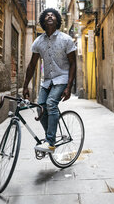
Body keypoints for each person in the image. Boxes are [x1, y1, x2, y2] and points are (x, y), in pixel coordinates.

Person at [23, 8, 76, 153]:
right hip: (47, 81)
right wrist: (25, 85)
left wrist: (69, 86)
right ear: (43, 21)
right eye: (47, 15)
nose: (50, 16)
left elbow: (73, 63)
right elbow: (32, 65)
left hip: (62, 78)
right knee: (40, 107)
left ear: (57, 20)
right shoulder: (38, 42)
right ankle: (50, 136)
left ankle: (50, 142)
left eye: (53, 14)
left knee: (51, 103)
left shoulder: (66, 39)